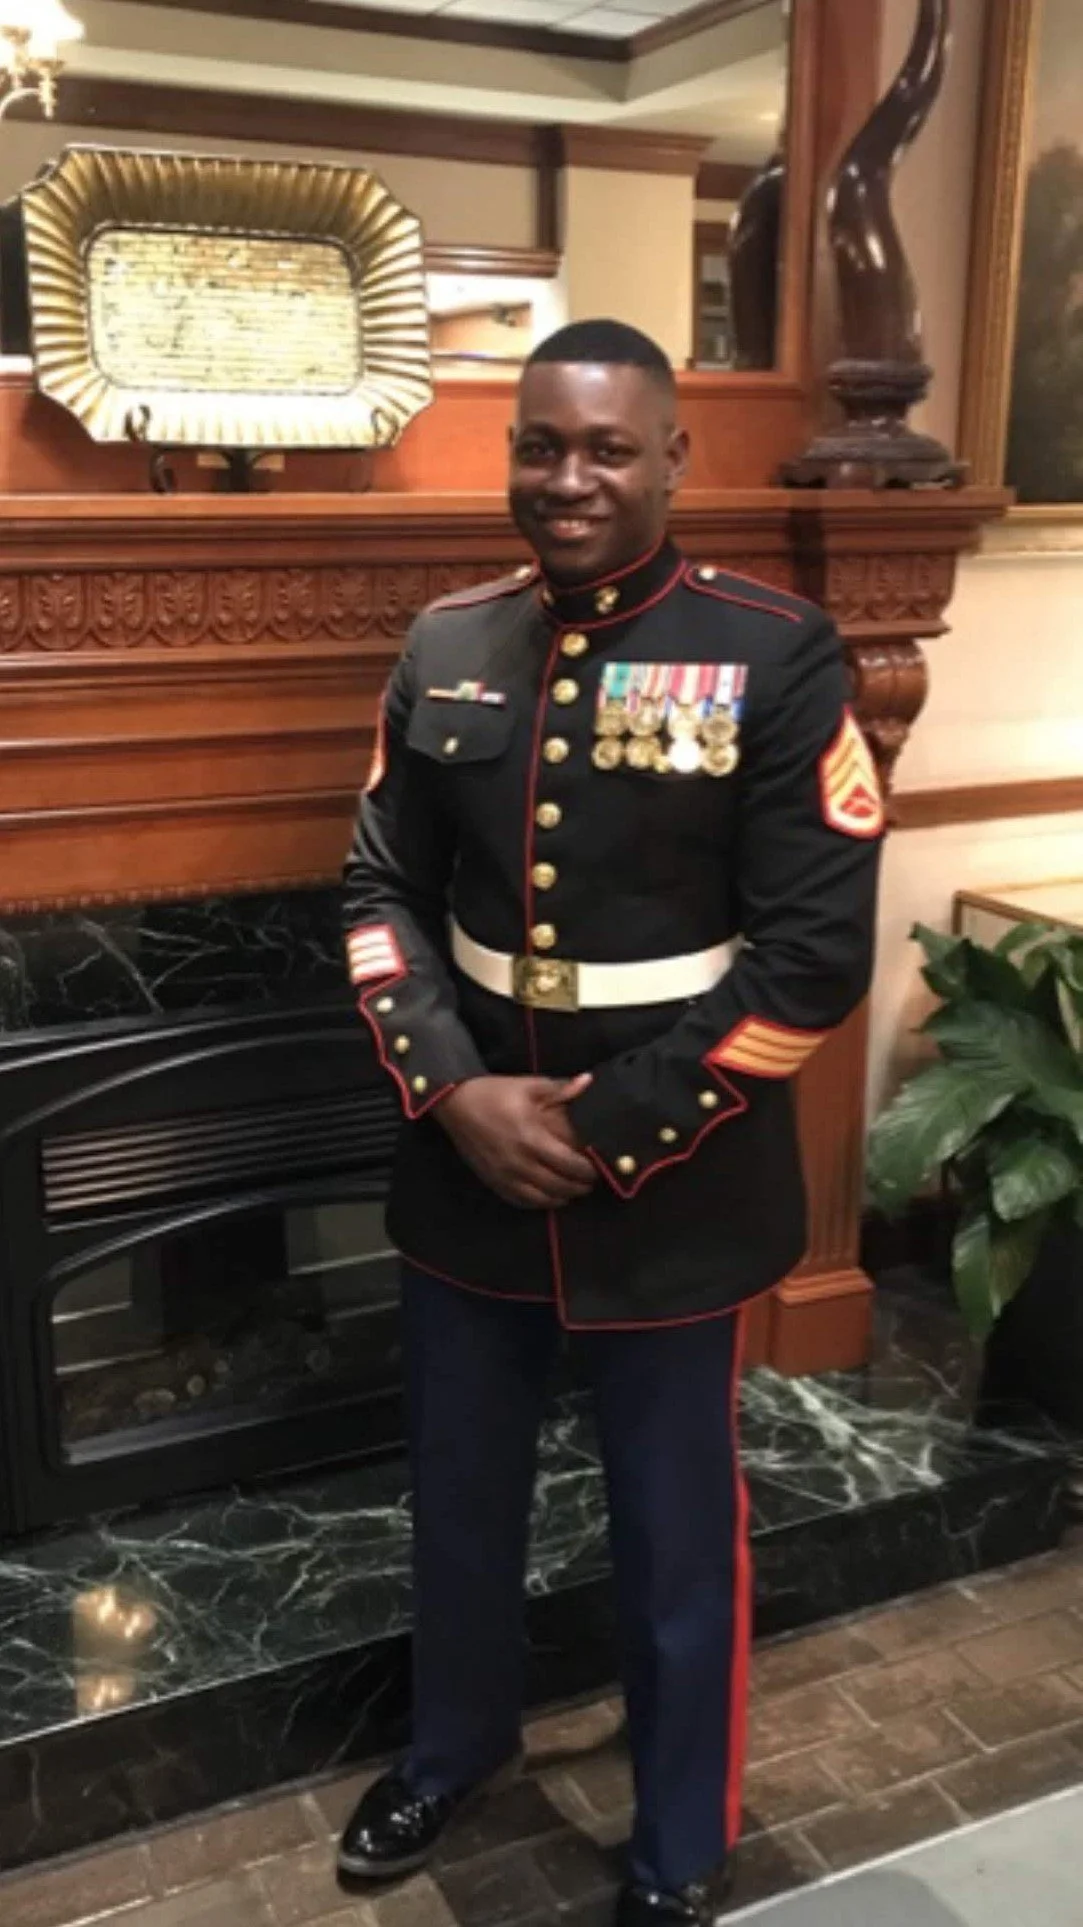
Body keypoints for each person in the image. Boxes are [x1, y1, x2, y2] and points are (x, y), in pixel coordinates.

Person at [338, 318, 883, 1925]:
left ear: (669, 459)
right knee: (457, 1492)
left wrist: (607, 1129)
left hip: (677, 1176)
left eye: (604, 448)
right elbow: (381, 889)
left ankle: (677, 1843)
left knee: (671, 1535)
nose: (566, 478)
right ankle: (453, 1746)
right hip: (467, 1163)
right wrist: (454, 1090)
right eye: (539, 445)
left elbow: (808, 958)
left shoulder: (776, 652)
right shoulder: (445, 640)